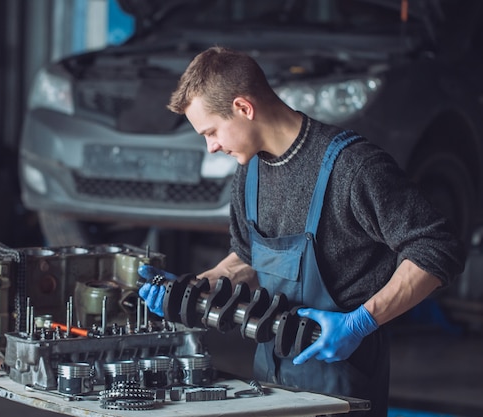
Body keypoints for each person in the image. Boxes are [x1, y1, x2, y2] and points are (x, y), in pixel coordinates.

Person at [138, 46, 466, 417]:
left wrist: (360, 323)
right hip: (269, 377)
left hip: (342, 379)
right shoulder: (250, 173)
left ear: (244, 108)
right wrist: (194, 288)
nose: (211, 147)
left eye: (211, 132)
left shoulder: (353, 169)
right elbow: (248, 257)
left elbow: (437, 248)